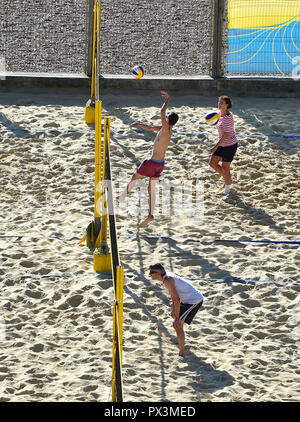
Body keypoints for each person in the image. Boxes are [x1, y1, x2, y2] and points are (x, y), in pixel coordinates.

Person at [117, 91, 179, 227]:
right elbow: (151, 128)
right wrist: (139, 124)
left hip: (152, 163)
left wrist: (168, 99)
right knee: (151, 190)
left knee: (135, 177)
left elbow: (162, 111)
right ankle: (150, 214)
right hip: (160, 165)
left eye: (166, 118)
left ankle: (122, 196)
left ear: (168, 120)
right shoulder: (167, 130)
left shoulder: (166, 128)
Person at [149, 263, 203, 357]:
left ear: (158, 274)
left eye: (151, 272)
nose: (150, 274)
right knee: (177, 324)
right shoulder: (166, 277)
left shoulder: (167, 280)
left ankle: (181, 353)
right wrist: (174, 310)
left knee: (177, 324)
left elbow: (176, 299)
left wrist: (177, 317)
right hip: (185, 299)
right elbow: (174, 297)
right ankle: (181, 347)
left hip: (193, 301)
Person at [209, 95, 238, 195]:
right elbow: (214, 121)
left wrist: (214, 147)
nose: (219, 104)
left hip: (230, 145)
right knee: (212, 163)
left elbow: (226, 135)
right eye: (219, 102)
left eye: (222, 103)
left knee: (225, 167)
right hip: (222, 143)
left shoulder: (227, 118)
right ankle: (228, 179)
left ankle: (227, 186)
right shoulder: (218, 114)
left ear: (227, 105)